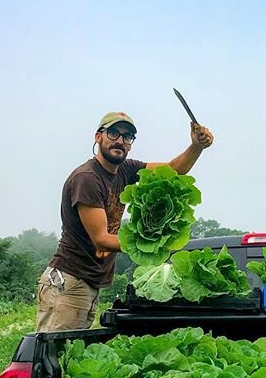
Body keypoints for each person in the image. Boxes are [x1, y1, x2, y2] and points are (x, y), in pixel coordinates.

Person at [36, 111, 214, 331]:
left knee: (68, 355)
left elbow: (173, 171)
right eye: (113, 133)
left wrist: (196, 147)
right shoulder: (87, 179)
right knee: (50, 357)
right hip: (69, 282)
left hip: (88, 283)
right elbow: (101, 240)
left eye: (127, 136)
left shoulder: (126, 170)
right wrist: (153, 242)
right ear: (98, 136)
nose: (120, 140)